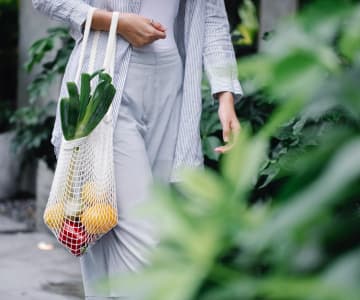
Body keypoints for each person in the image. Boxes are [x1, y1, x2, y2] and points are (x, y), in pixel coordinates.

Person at [32, 0, 244, 299]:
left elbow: (210, 14)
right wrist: (115, 21)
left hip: (172, 85)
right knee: (143, 234)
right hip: (107, 80)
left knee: (102, 223)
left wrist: (224, 94)